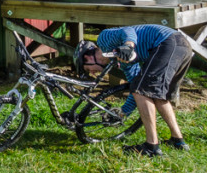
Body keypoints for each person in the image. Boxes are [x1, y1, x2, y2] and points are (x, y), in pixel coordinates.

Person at [76, 24, 194, 157]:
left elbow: (127, 30)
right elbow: (134, 88)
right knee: (156, 94)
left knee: (143, 90)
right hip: (181, 46)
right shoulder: (124, 62)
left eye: (87, 69)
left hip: (167, 42)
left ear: (87, 57)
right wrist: (123, 112)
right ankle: (178, 141)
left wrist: (129, 45)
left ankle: (151, 146)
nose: (92, 72)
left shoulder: (103, 40)